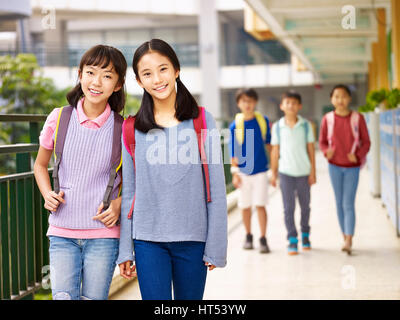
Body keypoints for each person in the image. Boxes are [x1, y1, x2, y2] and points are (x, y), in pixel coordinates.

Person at [117, 39, 228, 300]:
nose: (157, 79)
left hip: (193, 239)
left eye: (163, 69)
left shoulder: (202, 120)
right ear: (139, 80)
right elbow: (129, 192)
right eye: (147, 73)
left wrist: (216, 245)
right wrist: (125, 250)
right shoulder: (131, 128)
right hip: (147, 241)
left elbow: (216, 188)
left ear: (176, 69)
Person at [33, 45, 127, 300]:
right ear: (80, 74)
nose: (96, 82)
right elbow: (40, 165)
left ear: (118, 84)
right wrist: (46, 194)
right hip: (62, 232)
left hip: (104, 235)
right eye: (91, 72)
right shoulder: (59, 118)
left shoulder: (123, 129)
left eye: (107, 76)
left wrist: (118, 204)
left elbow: (136, 182)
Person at [319, 84, 370, 255]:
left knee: (348, 203)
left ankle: (348, 239)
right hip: (334, 166)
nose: (340, 100)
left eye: (343, 96)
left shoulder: (358, 118)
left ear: (349, 99)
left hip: (352, 168)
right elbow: (322, 142)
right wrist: (327, 152)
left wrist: (358, 155)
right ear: (331, 100)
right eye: (336, 97)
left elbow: (366, 142)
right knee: (339, 203)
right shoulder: (328, 119)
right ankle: (345, 236)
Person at [270, 91, 316, 255]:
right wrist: (273, 173)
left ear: (299, 106)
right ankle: (292, 238)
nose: (291, 105)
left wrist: (313, 172)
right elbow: (275, 151)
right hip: (285, 173)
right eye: (287, 102)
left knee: (305, 207)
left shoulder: (305, 125)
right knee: (288, 208)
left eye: (294, 102)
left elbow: (311, 149)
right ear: (282, 106)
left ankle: (305, 234)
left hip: (304, 172)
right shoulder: (277, 127)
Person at [229, 88, 271, 253]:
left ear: (255, 102)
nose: (247, 104)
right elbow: (233, 152)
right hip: (243, 172)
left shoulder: (263, 121)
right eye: (244, 101)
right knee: (245, 206)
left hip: (261, 170)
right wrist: (235, 173)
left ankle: (263, 238)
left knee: (260, 205)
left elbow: (270, 144)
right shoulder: (235, 126)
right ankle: (248, 235)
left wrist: (275, 168)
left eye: (250, 100)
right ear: (239, 103)